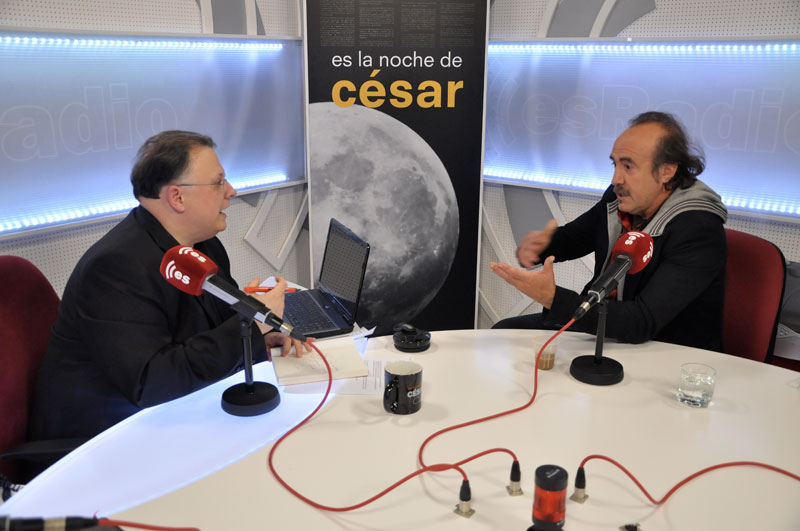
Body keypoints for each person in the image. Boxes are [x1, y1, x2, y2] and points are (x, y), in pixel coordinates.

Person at [29, 130, 311, 445]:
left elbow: (217, 329)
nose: (230, 191)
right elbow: (152, 381)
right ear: (177, 197)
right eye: (218, 182)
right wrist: (252, 323)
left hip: (176, 416)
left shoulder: (203, 245)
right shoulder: (114, 268)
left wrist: (257, 336)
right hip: (103, 441)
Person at [490, 111, 728, 352]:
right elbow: (575, 238)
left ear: (666, 171)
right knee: (503, 334)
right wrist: (542, 246)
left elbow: (641, 320)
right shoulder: (618, 198)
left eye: (628, 166)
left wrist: (554, 298)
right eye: (615, 164)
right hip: (604, 328)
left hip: (664, 349)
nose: (615, 179)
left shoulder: (699, 230)